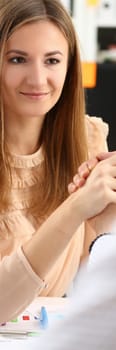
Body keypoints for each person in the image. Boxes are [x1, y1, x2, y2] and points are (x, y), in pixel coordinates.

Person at [0, 0, 116, 324]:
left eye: (52, 60)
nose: (38, 79)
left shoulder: (87, 138)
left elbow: (98, 288)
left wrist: (108, 227)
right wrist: (77, 206)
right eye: (17, 59)